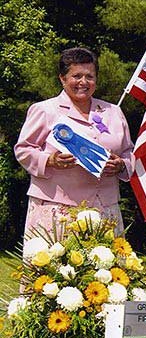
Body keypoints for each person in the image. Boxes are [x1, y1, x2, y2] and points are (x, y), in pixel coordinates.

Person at [15, 47, 134, 239]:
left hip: (104, 208)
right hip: (57, 209)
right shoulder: (44, 110)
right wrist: (50, 160)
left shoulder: (113, 112)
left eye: (90, 76)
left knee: (106, 268)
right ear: (62, 78)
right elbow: (23, 149)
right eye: (76, 76)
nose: (83, 82)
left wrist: (121, 165)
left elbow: (128, 151)